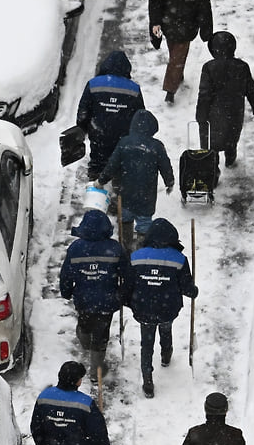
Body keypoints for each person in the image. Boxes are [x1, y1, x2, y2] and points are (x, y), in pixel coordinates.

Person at [123, 218, 198, 398]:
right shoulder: (179, 259)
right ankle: (166, 354)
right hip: (167, 308)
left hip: (144, 309)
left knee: (146, 344)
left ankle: (147, 379)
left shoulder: (135, 257)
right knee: (166, 328)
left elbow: (127, 285)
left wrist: (129, 302)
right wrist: (193, 291)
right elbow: (186, 288)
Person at [60, 209, 128, 376]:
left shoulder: (75, 249)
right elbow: (127, 275)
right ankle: (96, 369)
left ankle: (84, 340)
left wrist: (66, 291)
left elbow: (66, 275)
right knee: (101, 334)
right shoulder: (115, 249)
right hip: (107, 300)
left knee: (84, 323)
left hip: (83, 299)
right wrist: (122, 294)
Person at [97, 109, 175, 253]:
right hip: (147, 195)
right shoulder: (156, 146)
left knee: (125, 219)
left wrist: (101, 180)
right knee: (144, 222)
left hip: (126, 192)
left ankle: (126, 248)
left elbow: (112, 165)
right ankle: (141, 250)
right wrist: (169, 182)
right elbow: (166, 166)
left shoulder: (124, 142)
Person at [76, 50, 145, 180]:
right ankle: (118, 190)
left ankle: (96, 186)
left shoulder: (93, 84)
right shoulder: (134, 89)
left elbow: (83, 111)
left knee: (97, 164)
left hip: (99, 134)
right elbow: (141, 116)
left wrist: (82, 128)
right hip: (122, 137)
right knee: (120, 166)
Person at [195, 31, 254, 167]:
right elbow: (250, 88)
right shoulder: (242, 66)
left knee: (211, 144)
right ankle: (230, 159)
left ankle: (213, 169)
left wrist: (201, 114)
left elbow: (204, 94)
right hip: (235, 111)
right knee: (231, 137)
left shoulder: (209, 67)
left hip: (214, 113)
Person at [148, 0, 213, 105]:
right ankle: (178, 75)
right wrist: (156, 22)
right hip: (169, 29)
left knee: (176, 58)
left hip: (186, 32)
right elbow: (154, 0)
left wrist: (205, 30)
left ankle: (170, 90)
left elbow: (205, 9)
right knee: (176, 57)